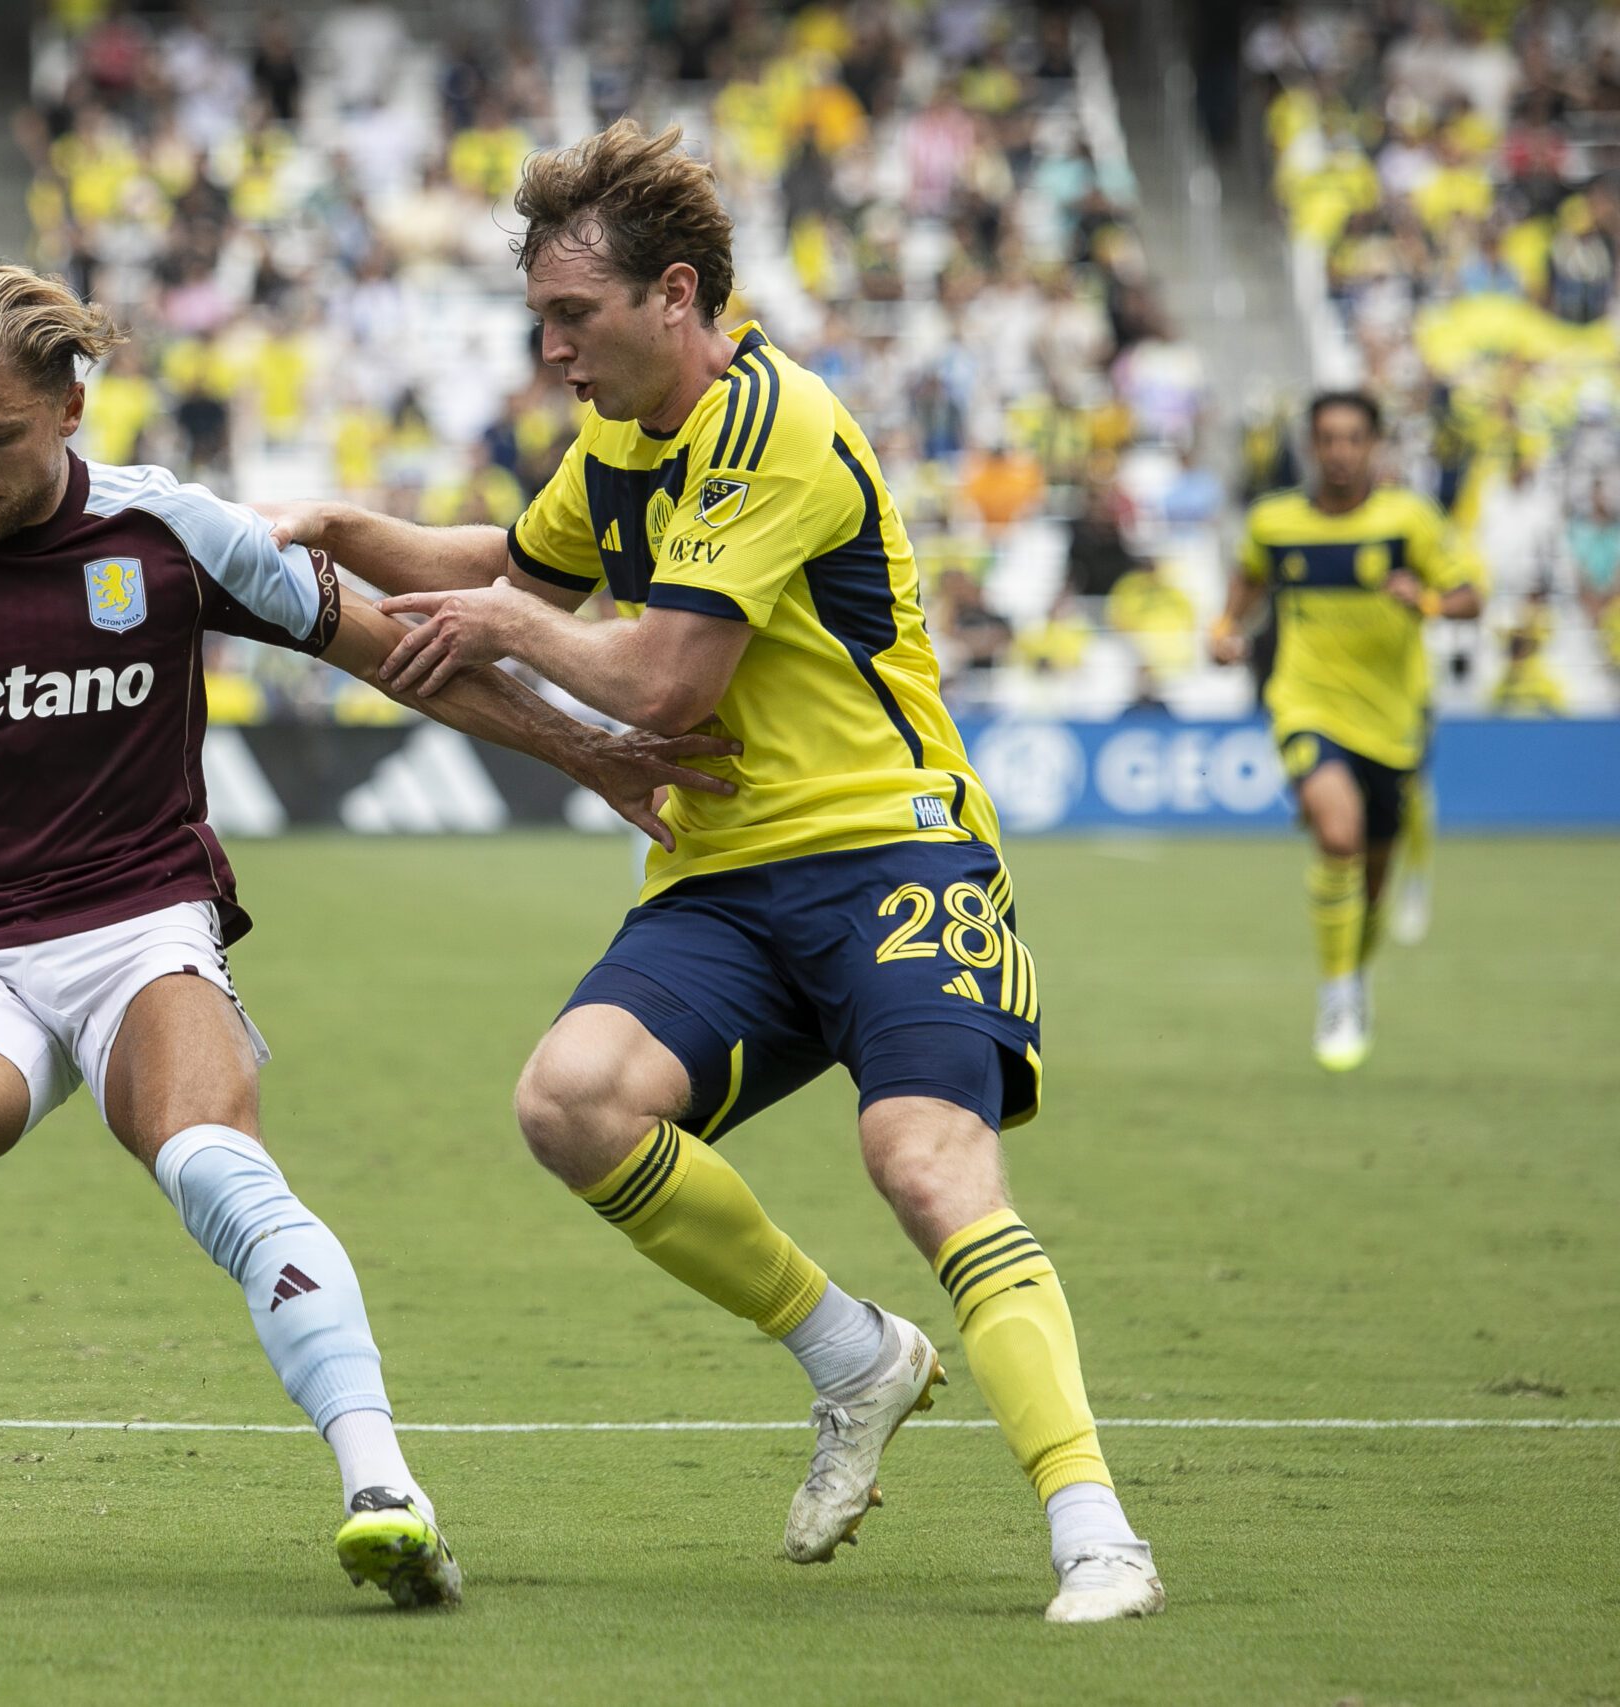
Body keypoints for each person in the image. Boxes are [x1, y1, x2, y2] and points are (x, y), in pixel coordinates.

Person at [0, 264, 729, 1614]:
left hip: (143, 929)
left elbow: (394, 651)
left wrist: (592, 750)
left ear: (71, 406)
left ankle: (387, 1490)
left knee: (206, 1156)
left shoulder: (174, 530)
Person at [261, 120, 1163, 1625]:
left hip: (893, 846)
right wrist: (355, 531)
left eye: (577, 316)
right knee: (572, 1097)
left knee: (925, 1164)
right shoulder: (623, 430)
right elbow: (529, 565)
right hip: (728, 869)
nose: (553, 349)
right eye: (542, 318)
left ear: (676, 295)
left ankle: (1097, 1529)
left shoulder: (776, 427)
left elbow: (660, 678)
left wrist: (494, 625)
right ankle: (853, 1355)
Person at [1212, 392, 1483, 1070]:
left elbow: (1468, 596)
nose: (1339, 451)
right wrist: (1224, 629)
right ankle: (1336, 993)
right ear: (1311, 445)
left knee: (1372, 884)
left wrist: (1421, 599)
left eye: (1353, 438)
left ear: (1374, 446)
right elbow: (1248, 581)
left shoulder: (1406, 520)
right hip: (1307, 705)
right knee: (1337, 833)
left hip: (1390, 720)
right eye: (1328, 438)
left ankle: (1354, 974)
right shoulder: (1275, 521)